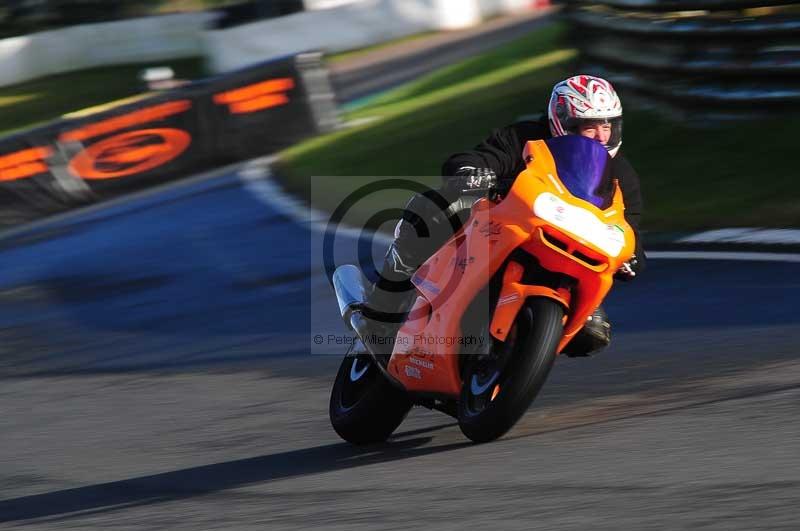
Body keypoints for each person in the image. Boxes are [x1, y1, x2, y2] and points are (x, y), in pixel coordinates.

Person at [361, 75, 644, 356]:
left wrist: (631, 256)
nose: (601, 135)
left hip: (569, 259)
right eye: (589, 127)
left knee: (593, 333)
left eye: (607, 125)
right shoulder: (525, 136)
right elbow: (481, 157)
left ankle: (519, 357)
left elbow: (626, 224)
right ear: (563, 123)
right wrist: (469, 173)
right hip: (506, 227)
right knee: (430, 208)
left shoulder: (620, 173)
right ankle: (382, 307)